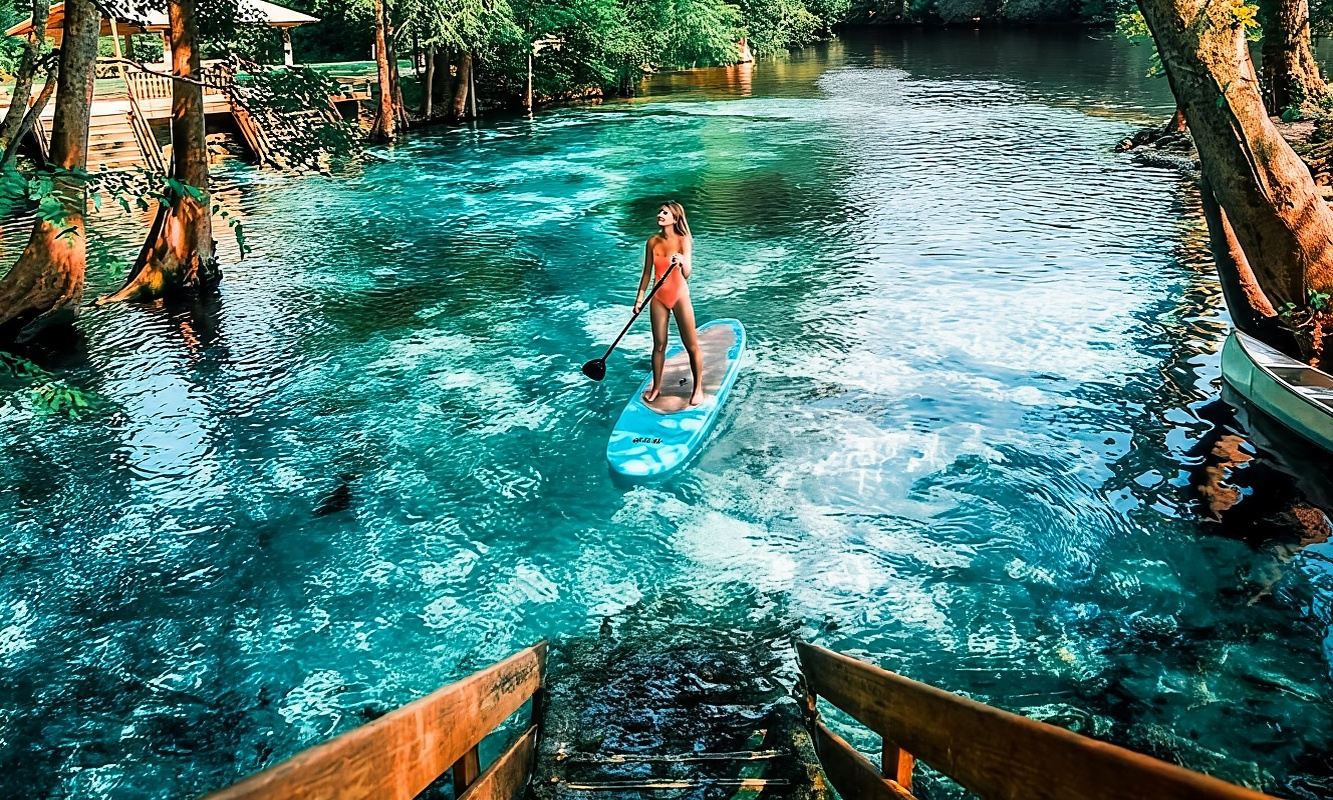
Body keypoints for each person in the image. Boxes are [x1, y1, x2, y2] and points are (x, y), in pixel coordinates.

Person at [634, 201, 703, 405]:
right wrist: (639, 298)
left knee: (691, 345)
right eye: (659, 212)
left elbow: (687, 273)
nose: (660, 215)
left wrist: (681, 261)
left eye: (665, 212)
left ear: (675, 218)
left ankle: (697, 387)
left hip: (679, 296)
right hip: (658, 297)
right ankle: (656, 387)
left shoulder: (684, 240)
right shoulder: (652, 241)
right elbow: (647, 273)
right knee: (659, 345)